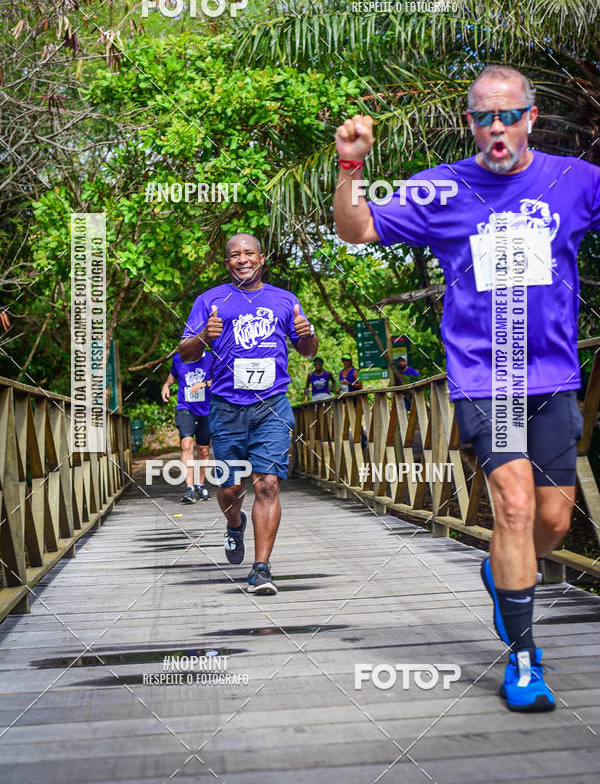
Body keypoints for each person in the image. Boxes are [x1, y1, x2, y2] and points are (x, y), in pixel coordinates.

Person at [333, 64, 600, 712]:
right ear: (471, 122)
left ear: (532, 116)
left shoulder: (575, 180)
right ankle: (525, 660)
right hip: (488, 374)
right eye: (485, 116)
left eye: (510, 114)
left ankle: (505, 570)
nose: (498, 127)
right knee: (511, 506)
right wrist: (349, 170)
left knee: (554, 518)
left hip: (557, 375)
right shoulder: (442, 189)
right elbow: (357, 229)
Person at [179, 232, 318, 595]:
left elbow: (307, 351)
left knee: (268, 484)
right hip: (226, 409)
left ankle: (261, 569)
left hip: (272, 405)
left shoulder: (284, 300)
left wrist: (307, 334)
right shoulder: (209, 300)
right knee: (229, 487)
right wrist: (204, 337)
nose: (242, 259)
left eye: (249, 253)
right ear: (227, 263)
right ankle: (234, 523)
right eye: (234, 255)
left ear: (261, 258)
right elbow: (186, 353)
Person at [161, 351, 214, 503]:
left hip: (206, 410)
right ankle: (189, 488)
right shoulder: (178, 358)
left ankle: (200, 484)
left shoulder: (211, 358)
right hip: (185, 408)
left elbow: (220, 380)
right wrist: (166, 384)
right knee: (186, 445)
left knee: (203, 450)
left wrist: (203, 384)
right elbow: (173, 375)